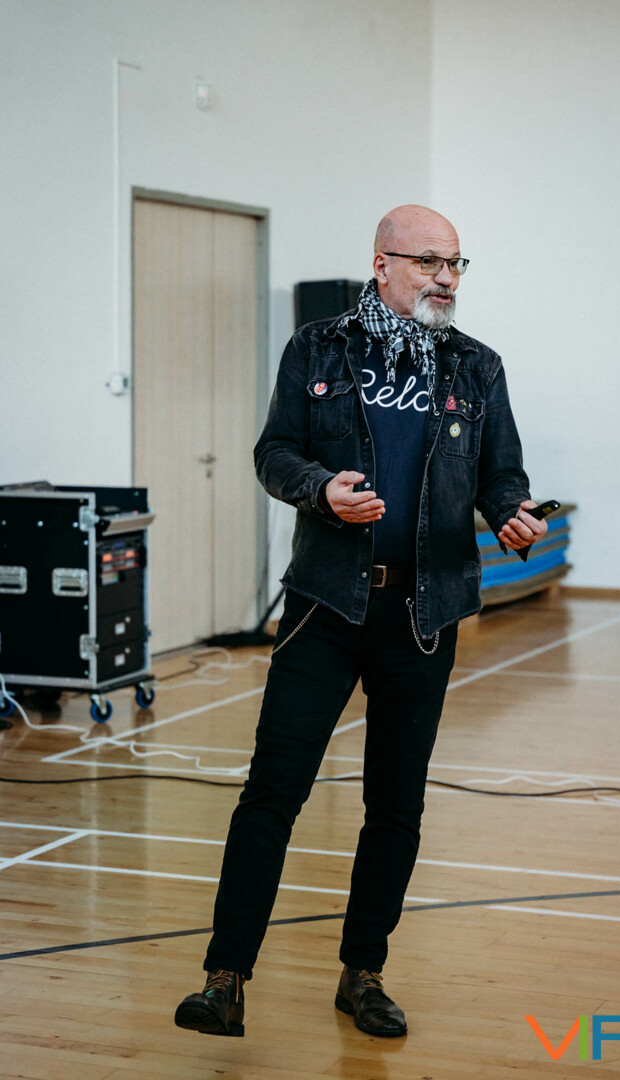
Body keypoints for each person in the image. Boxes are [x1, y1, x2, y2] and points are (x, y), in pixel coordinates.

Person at [174, 204, 547, 1040]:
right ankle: (224, 979)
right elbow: (274, 453)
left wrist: (512, 512)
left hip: (424, 615)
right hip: (325, 604)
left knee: (396, 806)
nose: (446, 278)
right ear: (382, 264)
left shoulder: (477, 366)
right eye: (428, 262)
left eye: (455, 263)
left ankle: (363, 973)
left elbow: (501, 474)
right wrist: (320, 490)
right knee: (272, 792)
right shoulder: (317, 349)